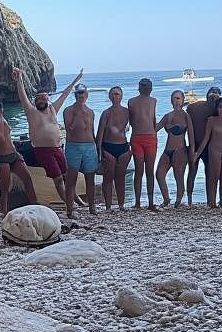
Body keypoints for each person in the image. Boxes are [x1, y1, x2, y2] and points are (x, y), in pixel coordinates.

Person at [13, 64, 83, 208]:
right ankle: (69, 204)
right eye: (38, 99)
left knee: (67, 177)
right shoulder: (31, 112)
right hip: (42, 151)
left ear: (47, 100)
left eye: (43, 99)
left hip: (58, 148)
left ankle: (77, 201)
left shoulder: (52, 109)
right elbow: (22, 95)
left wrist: (77, 79)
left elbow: (65, 93)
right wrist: (19, 79)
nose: (41, 101)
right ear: (35, 102)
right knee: (58, 179)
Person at [0, 99, 38, 214]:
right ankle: (4, 211)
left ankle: (35, 205)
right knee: (4, 187)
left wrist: (17, 153)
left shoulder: (3, 119)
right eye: (1, 108)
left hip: (13, 155)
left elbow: (8, 138)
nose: (3, 109)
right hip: (0, 159)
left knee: (27, 179)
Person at [62, 83, 99, 217]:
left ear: (87, 94)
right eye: (79, 93)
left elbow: (92, 130)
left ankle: (92, 207)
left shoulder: (91, 112)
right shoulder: (68, 110)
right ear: (75, 95)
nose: (81, 95)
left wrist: (97, 148)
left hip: (89, 146)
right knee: (71, 178)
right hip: (74, 146)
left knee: (90, 177)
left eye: (83, 93)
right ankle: (70, 209)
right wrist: (78, 112)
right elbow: (69, 128)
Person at [155, 89, 195, 207]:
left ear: (183, 100)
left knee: (179, 177)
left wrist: (192, 153)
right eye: (174, 98)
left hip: (180, 150)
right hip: (167, 150)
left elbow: (191, 136)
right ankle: (166, 198)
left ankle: (178, 201)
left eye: (178, 98)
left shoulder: (186, 116)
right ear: (171, 101)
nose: (176, 101)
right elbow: (155, 129)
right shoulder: (167, 116)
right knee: (159, 174)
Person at [96, 85, 133, 210]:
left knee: (120, 178)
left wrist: (132, 146)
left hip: (123, 147)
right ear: (109, 97)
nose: (114, 96)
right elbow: (99, 133)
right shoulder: (106, 113)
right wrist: (99, 152)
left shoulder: (127, 112)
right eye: (112, 94)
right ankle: (108, 206)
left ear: (121, 96)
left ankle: (121, 205)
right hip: (108, 147)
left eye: (117, 94)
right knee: (108, 177)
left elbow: (138, 126)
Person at [185, 85, 222, 205]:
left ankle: (210, 200)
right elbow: (188, 128)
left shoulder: (219, 111)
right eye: (212, 93)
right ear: (207, 95)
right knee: (192, 171)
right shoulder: (194, 108)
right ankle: (189, 200)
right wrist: (191, 146)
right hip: (195, 144)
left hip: (210, 147)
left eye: (216, 94)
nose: (214, 95)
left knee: (210, 173)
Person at [196, 95, 222, 208]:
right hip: (214, 152)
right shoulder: (211, 120)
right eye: (219, 107)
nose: (221, 109)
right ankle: (211, 202)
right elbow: (206, 138)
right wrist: (197, 153)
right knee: (214, 177)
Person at [128, 77, 159, 211]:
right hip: (138, 138)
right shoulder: (132, 102)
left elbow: (153, 118)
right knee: (140, 170)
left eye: (145, 85)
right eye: (142, 85)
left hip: (150, 138)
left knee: (149, 171)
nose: (143, 88)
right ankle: (138, 202)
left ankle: (150, 202)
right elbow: (131, 121)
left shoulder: (153, 101)